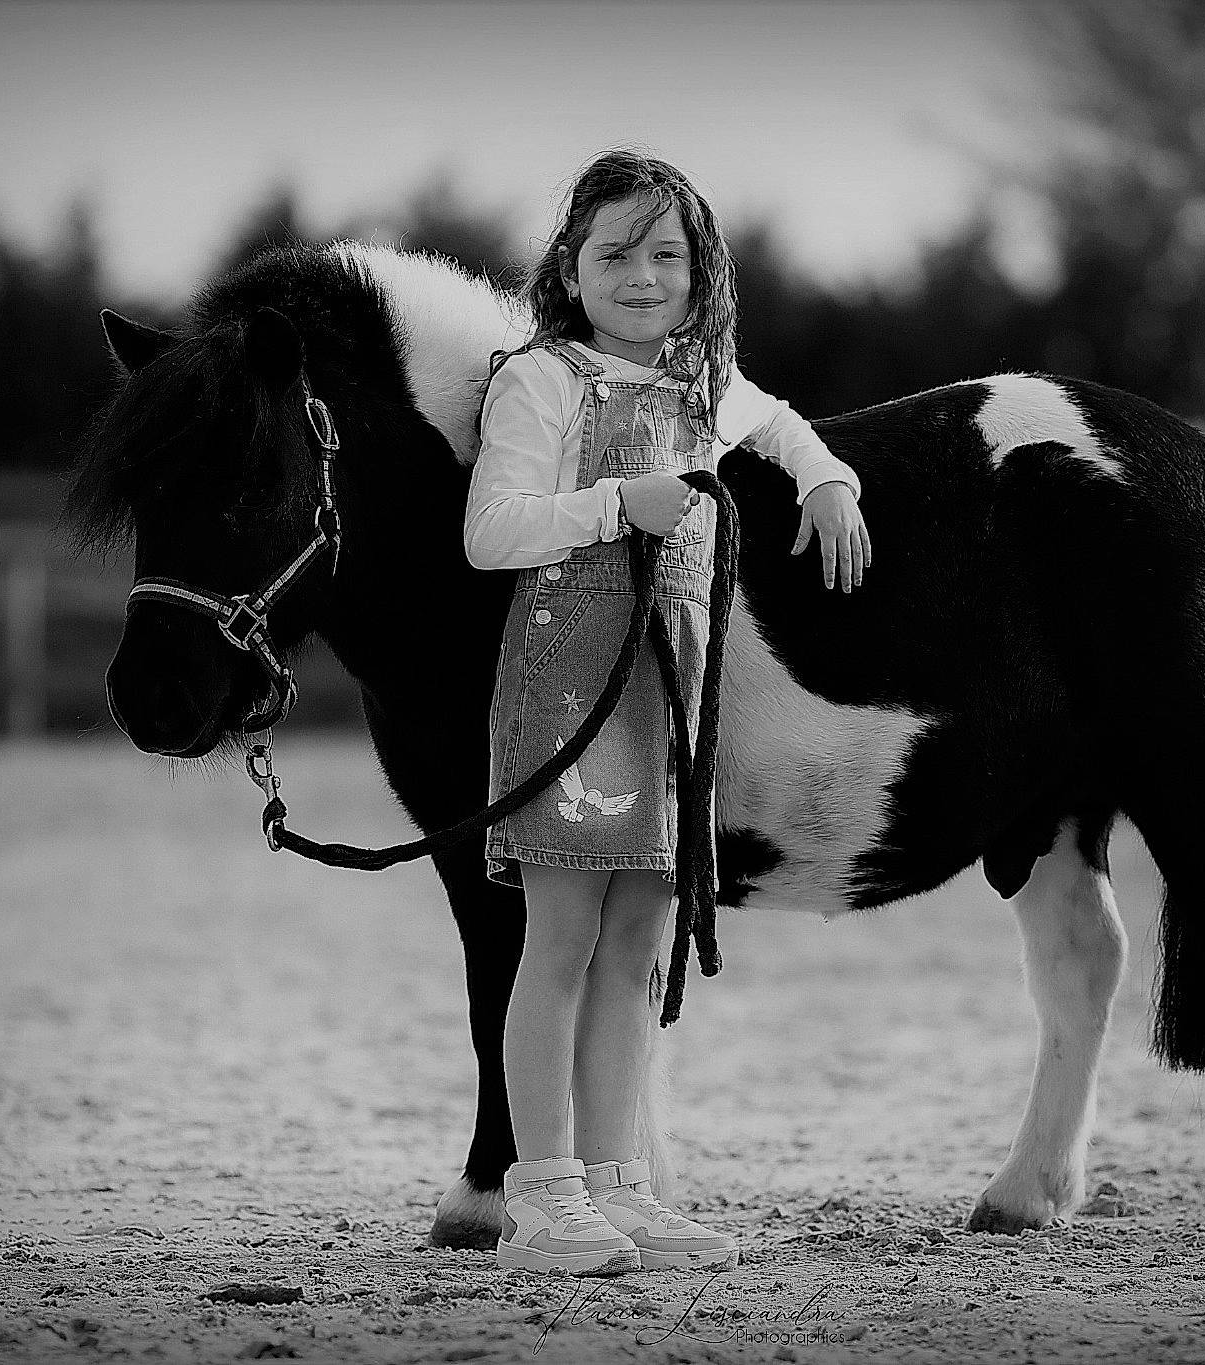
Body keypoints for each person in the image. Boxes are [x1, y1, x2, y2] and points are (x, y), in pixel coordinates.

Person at [463, 150, 872, 1276]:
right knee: (558, 941)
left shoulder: (702, 382)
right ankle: (541, 1196)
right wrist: (616, 505)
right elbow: (489, 531)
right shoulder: (542, 380)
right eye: (614, 254)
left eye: (665, 255)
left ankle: (617, 1182)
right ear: (570, 268)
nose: (641, 277)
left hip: (672, 689)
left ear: (700, 273)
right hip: (570, 686)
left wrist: (828, 478)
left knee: (640, 942)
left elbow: (780, 424)